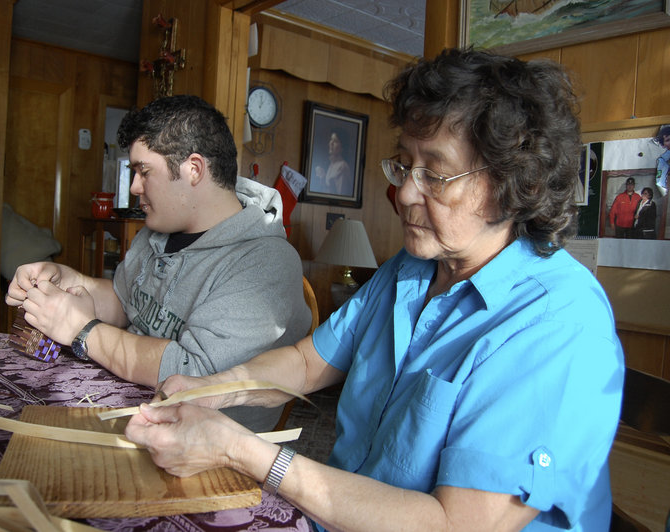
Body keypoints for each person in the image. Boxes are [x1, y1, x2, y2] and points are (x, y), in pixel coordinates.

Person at [124, 49, 624, 532]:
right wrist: (215, 388)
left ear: (515, 183)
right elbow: (305, 363)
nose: (405, 192)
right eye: (405, 164)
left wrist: (240, 449)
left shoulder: (559, 324)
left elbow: (453, 526)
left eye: (437, 173)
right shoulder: (410, 270)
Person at [6, 94, 311, 432]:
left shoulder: (265, 263)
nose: (135, 186)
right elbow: (124, 301)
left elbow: (193, 374)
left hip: (201, 450)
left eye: (143, 171)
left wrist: (82, 329)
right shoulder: (159, 230)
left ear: (193, 170)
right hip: (128, 407)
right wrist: (66, 279)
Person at [312, 129, 352, 196]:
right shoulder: (331, 164)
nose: (331, 143)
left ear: (342, 148)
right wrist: (323, 177)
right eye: (331, 139)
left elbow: (340, 196)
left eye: (335, 141)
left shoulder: (342, 167)